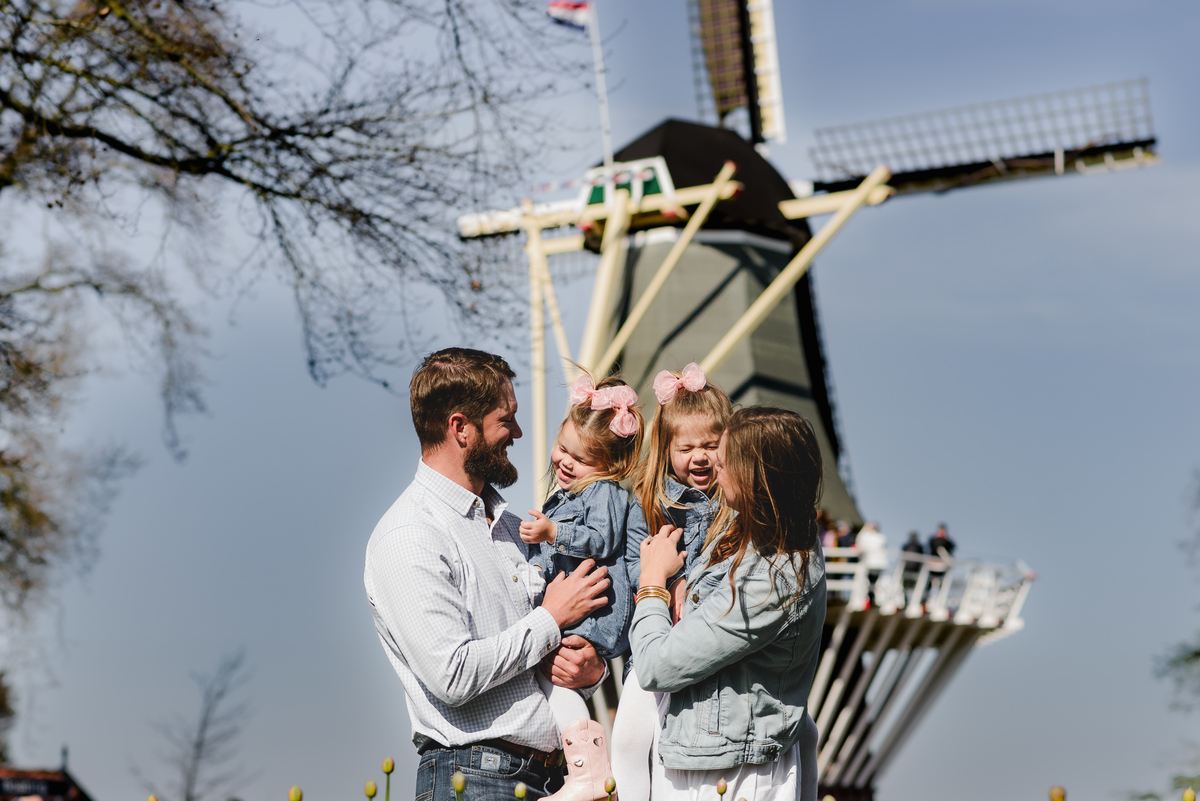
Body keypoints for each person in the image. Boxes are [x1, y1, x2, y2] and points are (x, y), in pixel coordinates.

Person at [364, 348, 611, 801]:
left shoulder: (518, 529)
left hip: (555, 778)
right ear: (460, 428)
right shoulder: (409, 534)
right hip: (474, 778)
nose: (518, 432)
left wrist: (590, 670)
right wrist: (550, 619)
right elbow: (452, 676)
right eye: (506, 420)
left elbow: (544, 653)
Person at [631, 407, 828, 801]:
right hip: (710, 758)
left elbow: (656, 666)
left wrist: (652, 582)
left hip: (732, 774)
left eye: (724, 463)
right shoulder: (748, 535)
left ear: (756, 476)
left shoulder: (771, 578)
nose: (715, 471)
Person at [609, 363, 733, 801]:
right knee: (627, 736)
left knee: (674, 746)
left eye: (711, 446)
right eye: (686, 447)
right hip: (656, 633)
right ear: (667, 448)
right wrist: (668, 582)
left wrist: (689, 585)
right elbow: (638, 564)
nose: (699, 456)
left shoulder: (735, 506)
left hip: (703, 642)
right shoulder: (649, 500)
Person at [519, 372, 645, 801]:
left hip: (592, 613)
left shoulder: (607, 492)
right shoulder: (572, 494)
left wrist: (554, 534)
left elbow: (602, 539)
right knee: (553, 683)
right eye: (563, 448)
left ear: (611, 466)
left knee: (558, 681)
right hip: (577, 608)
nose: (566, 462)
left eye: (582, 459)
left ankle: (588, 771)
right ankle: (578, 766)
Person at [927, 523, 956, 593]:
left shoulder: (948, 542)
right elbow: (928, 550)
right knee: (928, 582)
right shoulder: (932, 540)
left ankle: (939, 598)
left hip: (942, 566)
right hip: (932, 565)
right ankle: (924, 601)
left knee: (941, 583)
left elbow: (951, 552)